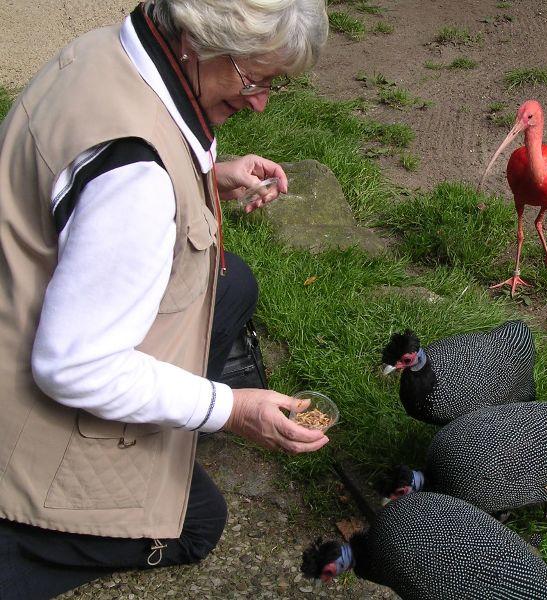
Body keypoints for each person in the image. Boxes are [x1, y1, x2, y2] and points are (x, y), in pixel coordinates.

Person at [0, 0, 329, 597]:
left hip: (17, 301)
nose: (259, 101)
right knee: (198, 521)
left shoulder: (106, 51)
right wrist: (228, 408)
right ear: (197, 41)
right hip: (23, 413)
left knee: (232, 285)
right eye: (253, 78)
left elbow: (108, 172)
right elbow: (73, 366)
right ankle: (22, 540)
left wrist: (206, 172)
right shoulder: (136, 178)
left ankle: (161, 425)